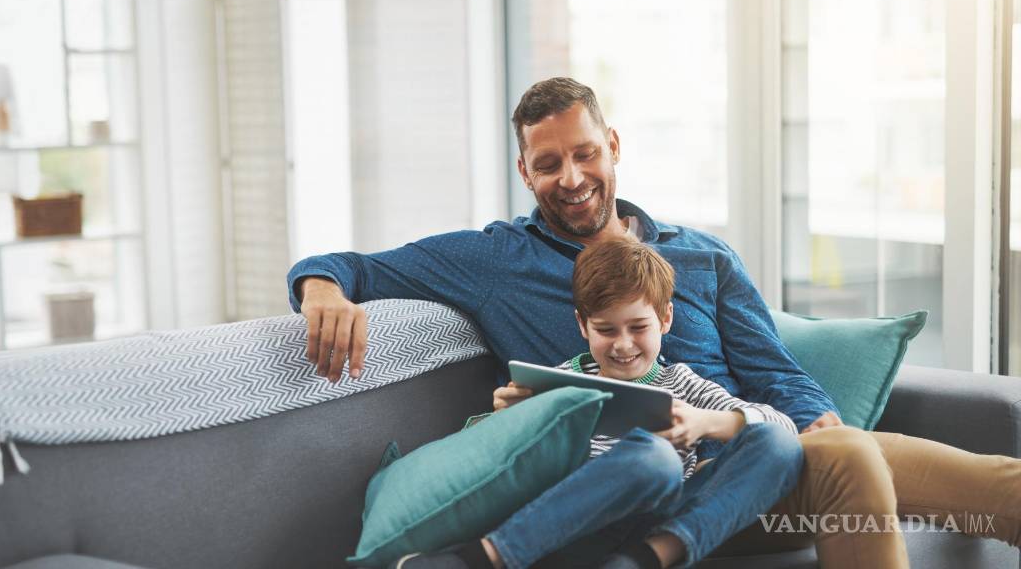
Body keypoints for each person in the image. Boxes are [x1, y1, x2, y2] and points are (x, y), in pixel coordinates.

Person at [288, 77, 1021, 567]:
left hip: (748, 454)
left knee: (982, 483)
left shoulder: (700, 256)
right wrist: (322, 293)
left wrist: (816, 418)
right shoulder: (494, 260)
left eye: (584, 153)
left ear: (614, 147)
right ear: (524, 172)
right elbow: (348, 264)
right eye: (548, 164)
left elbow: (770, 369)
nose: (570, 179)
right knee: (849, 459)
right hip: (641, 484)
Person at [395, 238, 804, 569]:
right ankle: (487, 557)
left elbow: (781, 427)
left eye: (638, 327)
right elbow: (470, 456)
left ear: (665, 319)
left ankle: (643, 560)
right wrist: (504, 421)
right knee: (655, 458)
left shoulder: (681, 384)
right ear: (582, 325)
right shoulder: (559, 380)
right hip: (572, 527)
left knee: (780, 444)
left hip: (657, 527)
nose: (623, 345)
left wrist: (704, 423)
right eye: (606, 330)